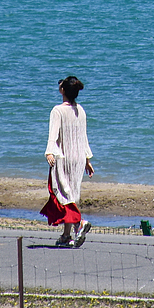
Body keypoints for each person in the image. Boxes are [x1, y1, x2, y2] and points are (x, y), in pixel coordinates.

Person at [42, 76, 94, 247]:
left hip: (62, 157)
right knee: (71, 193)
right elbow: (83, 137)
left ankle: (79, 223)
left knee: (61, 193)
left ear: (63, 90)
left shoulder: (57, 110)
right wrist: (86, 158)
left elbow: (53, 134)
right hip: (78, 157)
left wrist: (49, 152)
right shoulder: (81, 110)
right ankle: (66, 235)